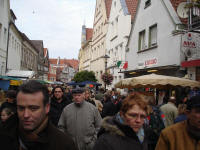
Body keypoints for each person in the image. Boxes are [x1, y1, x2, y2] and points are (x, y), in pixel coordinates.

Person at [0, 80, 77, 150]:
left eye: (33, 108)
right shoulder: (4, 134)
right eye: (21, 108)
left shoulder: (64, 144)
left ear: (47, 108)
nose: (26, 115)